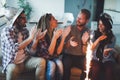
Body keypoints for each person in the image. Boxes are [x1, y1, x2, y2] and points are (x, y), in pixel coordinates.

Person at [1, 7, 46, 80]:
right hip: (12, 62)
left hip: (25, 60)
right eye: (23, 18)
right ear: (16, 20)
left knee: (41, 61)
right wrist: (30, 38)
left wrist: (36, 40)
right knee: (12, 69)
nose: (26, 21)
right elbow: (14, 48)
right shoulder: (7, 31)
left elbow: (31, 51)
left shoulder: (24, 31)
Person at [30, 13, 71, 80]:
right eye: (54, 19)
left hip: (52, 57)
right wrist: (54, 38)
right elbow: (49, 53)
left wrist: (63, 37)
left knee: (60, 64)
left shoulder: (55, 32)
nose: (56, 20)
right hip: (43, 58)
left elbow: (58, 52)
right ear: (48, 22)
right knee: (52, 65)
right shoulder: (41, 34)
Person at [62, 9, 91, 80]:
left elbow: (85, 53)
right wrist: (69, 42)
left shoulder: (88, 32)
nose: (77, 20)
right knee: (66, 64)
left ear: (86, 21)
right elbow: (63, 47)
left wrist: (84, 43)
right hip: (68, 55)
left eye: (80, 19)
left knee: (87, 66)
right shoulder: (69, 28)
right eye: (78, 17)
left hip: (81, 57)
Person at [89, 13, 116, 80]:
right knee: (96, 68)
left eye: (102, 25)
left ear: (107, 26)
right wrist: (98, 39)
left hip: (106, 59)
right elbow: (91, 48)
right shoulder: (94, 33)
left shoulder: (112, 37)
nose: (99, 26)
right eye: (99, 24)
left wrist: (106, 54)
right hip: (95, 58)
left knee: (109, 70)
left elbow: (109, 54)